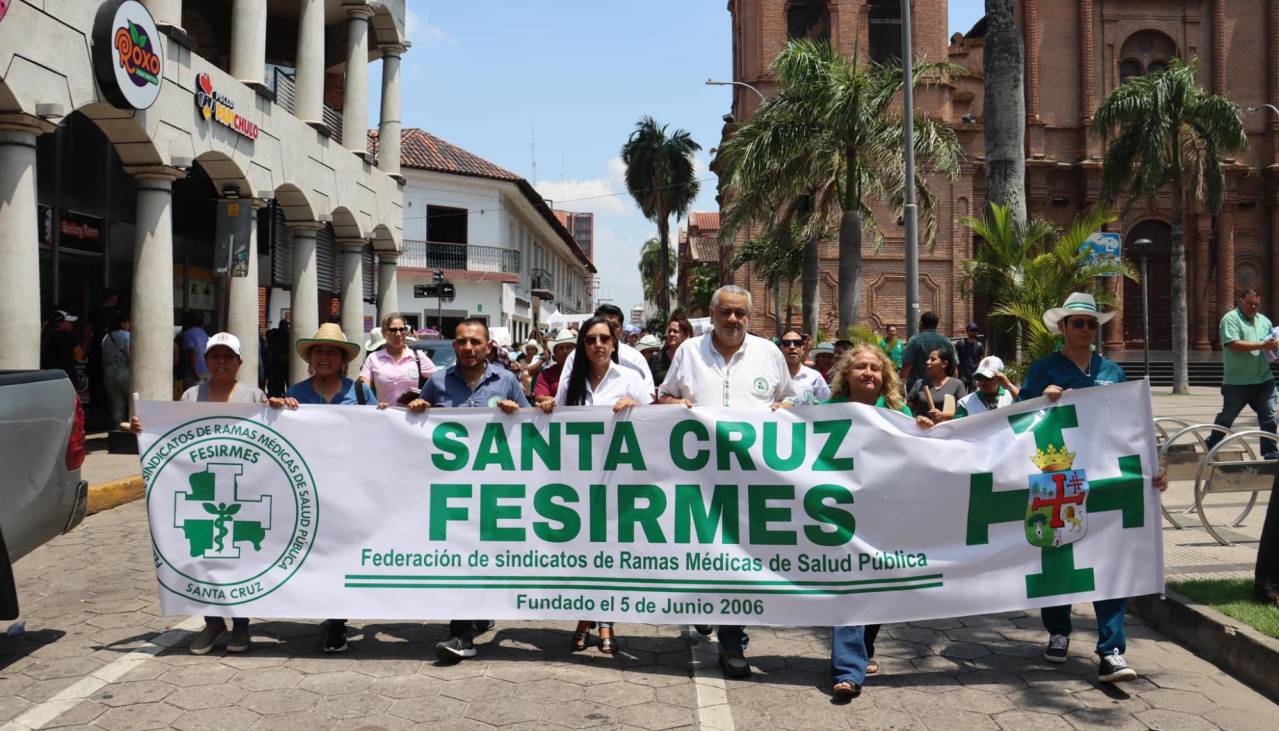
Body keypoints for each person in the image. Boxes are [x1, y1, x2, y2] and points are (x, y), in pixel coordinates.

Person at [1018, 292, 1167, 683]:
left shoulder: (1113, 373)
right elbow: (1016, 421)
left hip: (1106, 481)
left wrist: (1151, 467)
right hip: (1057, 479)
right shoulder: (1043, 369)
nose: (1086, 329)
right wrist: (1040, 399)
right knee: (1057, 556)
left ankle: (1111, 651)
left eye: (1092, 323)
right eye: (1078, 323)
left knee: (1110, 561)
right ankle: (1058, 631)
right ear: (1062, 328)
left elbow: (1132, 426)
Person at [657, 285, 793, 679]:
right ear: (712, 315)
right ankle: (703, 606)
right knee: (703, 550)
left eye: (740, 313)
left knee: (738, 558)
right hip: (697, 478)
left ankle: (733, 641)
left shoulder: (769, 354)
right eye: (726, 313)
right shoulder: (688, 352)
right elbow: (664, 397)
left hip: (751, 479)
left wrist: (785, 407)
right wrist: (674, 405)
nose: (733, 320)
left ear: (749, 317)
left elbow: (792, 400)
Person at [130, 332, 272, 655]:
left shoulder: (253, 396)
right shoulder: (192, 396)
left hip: (243, 487)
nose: (221, 362)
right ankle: (212, 621)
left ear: (239, 363)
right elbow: (171, 432)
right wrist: (146, 428)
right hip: (202, 488)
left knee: (240, 557)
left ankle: (242, 625)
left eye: (228, 357)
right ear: (205, 361)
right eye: (215, 356)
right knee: (204, 554)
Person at [823, 343, 934, 698]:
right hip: (840, 517)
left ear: (884, 376)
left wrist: (923, 429)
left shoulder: (897, 413)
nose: (868, 373)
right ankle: (848, 670)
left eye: (875, 368)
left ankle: (862, 649)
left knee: (875, 588)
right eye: (860, 367)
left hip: (883, 515)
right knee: (851, 589)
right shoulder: (824, 413)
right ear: (847, 374)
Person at [539, 316, 651, 654]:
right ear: (582, 346)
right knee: (585, 553)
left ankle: (603, 621)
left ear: (614, 343)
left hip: (619, 479)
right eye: (591, 339)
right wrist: (547, 407)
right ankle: (590, 618)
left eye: (604, 338)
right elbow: (558, 419)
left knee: (610, 553)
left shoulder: (631, 378)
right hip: (579, 481)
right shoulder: (571, 380)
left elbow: (656, 421)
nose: (598, 345)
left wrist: (636, 407)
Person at [421, 318, 529, 662]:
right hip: (452, 490)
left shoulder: (507, 381)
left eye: (475, 342)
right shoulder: (437, 382)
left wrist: (519, 413)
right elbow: (416, 425)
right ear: (455, 345)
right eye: (462, 342)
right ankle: (460, 634)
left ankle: (477, 613)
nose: (468, 348)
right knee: (462, 554)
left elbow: (534, 429)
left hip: (494, 487)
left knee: (485, 553)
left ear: (488, 347)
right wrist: (416, 410)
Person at [279, 323, 378, 653]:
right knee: (320, 554)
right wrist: (278, 411)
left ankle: (337, 622)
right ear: (310, 357)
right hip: (310, 489)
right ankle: (328, 613)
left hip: (350, 488)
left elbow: (382, 432)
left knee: (344, 554)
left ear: (342, 359)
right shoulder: (297, 392)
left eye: (330, 352)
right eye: (318, 351)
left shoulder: (361, 393)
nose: (324, 357)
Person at [1203, 289, 1278, 459]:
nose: (1253, 307)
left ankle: (1270, 453)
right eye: (1249, 303)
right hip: (1238, 382)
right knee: (1227, 418)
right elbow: (1234, 344)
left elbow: (1270, 345)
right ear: (1240, 301)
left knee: (1269, 417)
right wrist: (1263, 346)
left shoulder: (1264, 321)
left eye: (1256, 304)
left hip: (1264, 379)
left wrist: (1274, 351)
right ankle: (1211, 444)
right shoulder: (1230, 319)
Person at [560, 304, 655, 392]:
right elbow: (564, 394)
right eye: (604, 323)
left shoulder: (635, 358)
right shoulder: (575, 356)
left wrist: (633, 404)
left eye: (614, 325)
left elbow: (648, 393)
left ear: (621, 329)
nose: (609, 328)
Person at [359, 313, 435, 409]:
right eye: (393, 330)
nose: (398, 334)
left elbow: (438, 381)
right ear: (384, 333)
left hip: (413, 418)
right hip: (384, 417)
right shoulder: (373, 358)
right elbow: (363, 388)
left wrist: (424, 399)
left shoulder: (418, 356)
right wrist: (373, 405)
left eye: (402, 329)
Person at [906, 349, 966, 422]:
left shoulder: (957, 385)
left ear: (944, 364)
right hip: (920, 431)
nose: (927, 362)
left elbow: (963, 414)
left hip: (946, 431)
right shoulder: (920, 383)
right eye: (928, 359)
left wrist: (943, 416)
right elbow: (907, 408)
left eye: (933, 359)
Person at [900, 311, 954, 390]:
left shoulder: (914, 341)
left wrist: (900, 386)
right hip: (942, 388)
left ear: (921, 324)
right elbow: (954, 367)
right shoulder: (947, 342)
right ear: (936, 325)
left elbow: (907, 365)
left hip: (919, 389)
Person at [779, 329, 830, 405]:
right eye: (786, 343)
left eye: (797, 343)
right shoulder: (773, 375)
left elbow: (828, 405)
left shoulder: (815, 377)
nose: (792, 347)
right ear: (780, 349)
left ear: (803, 348)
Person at [100, 311, 132, 428]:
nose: (130, 325)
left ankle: (117, 430)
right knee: (133, 402)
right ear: (123, 323)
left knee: (117, 404)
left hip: (108, 373)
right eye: (128, 322)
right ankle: (133, 432)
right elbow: (131, 356)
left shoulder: (106, 337)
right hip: (124, 372)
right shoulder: (127, 336)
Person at [533, 330, 577, 406]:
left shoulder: (587, 370)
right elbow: (539, 396)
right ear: (555, 354)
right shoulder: (545, 374)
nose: (565, 351)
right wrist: (552, 401)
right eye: (561, 348)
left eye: (569, 347)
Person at [649, 315, 694, 386]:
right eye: (669, 331)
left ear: (686, 335)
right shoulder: (656, 358)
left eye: (675, 331)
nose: (671, 334)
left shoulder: (693, 358)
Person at [180, 313, 210, 387]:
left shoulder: (187, 334)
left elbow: (192, 353)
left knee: (192, 396)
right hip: (207, 370)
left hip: (194, 373)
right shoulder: (205, 334)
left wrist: (194, 372)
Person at [956, 322, 985, 390]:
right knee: (961, 396)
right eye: (972, 330)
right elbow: (955, 359)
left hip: (974, 376)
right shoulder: (961, 344)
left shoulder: (979, 346)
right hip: (962, 376)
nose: (974, 332)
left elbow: (981, 361)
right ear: (967, 331)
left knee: (972, 396)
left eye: (975, 330)